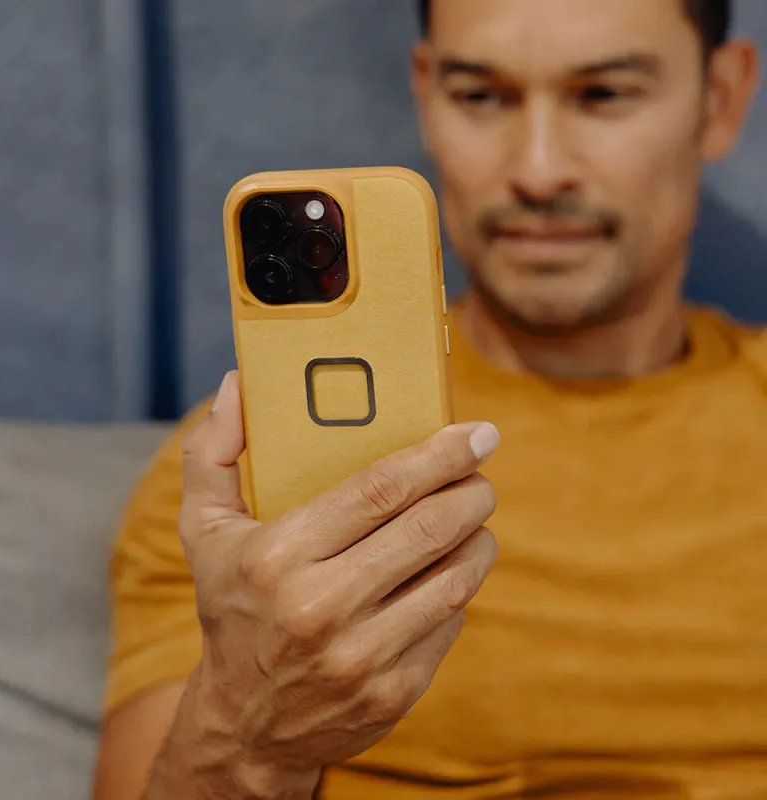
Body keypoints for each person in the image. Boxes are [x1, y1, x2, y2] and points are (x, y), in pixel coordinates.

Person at [93, 1, 766, 797]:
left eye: (604, 95)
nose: (538, 170)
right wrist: (249, 729)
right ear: (426, 99)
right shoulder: (241, 477)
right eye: (480, 96)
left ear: (720, 101)